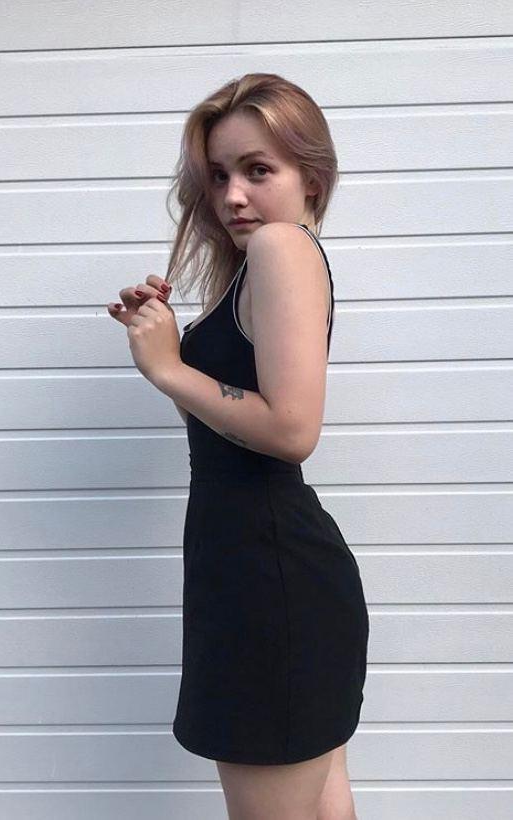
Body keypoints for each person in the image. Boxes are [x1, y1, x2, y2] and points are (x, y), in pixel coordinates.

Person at [108, 72, 369, 820]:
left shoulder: (283, 247)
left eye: (258, 170)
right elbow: (237, 423)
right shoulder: (266, 264)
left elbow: (291, 431)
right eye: (219, 175)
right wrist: (170, 341)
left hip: (266, 581)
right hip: (267, 574)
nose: (233, 196)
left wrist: (169, 368)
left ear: (311, 176)